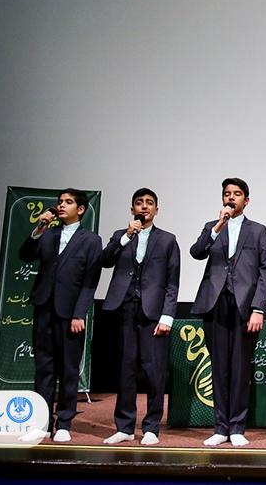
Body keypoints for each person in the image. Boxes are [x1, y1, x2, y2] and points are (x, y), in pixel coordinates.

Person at [190, 178, 266, 447]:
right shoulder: (211, 227)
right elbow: (196, 252)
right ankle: (220, 427)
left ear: (246, 201)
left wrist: (258, 308)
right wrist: (216, 227)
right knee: (219, 368)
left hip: (244, 307)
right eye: (227, 194)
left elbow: (265, 271)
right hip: (215, 304)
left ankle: (237, 427)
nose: (231, 198)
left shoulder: (257, 230)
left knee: (239, 369)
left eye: (237, 194)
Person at [18, 188, 102, 442]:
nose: (62, 205)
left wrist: (79, 314)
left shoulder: (91, 240)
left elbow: (90, 281)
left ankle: (64, 422)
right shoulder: (48, 234)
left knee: (68, 369)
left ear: (81, 209)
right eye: (60, 202)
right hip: (44, 308)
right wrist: (40, 227)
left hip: (70, 313)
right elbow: (25, 255)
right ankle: (42, 423)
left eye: (68, 202)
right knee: (44, 367)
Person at [100, 188, 180, 446]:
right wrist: (126, 236)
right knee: (126, 369)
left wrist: (167, 316)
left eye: (149, 203)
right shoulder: (120, 236)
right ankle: (124, 427)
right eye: (139, 203)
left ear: (157, 209)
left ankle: (151, 427)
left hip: (153, 312)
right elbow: (105, 260)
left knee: (154, 372)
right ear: (132, 209)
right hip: (125, 308)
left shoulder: (167, 240)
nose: (144, 206)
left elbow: (172, 282)